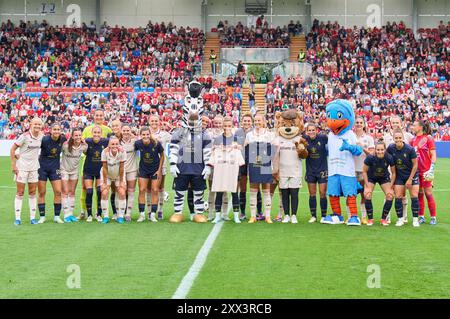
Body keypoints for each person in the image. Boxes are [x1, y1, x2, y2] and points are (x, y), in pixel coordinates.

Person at [208, 117, 245, 224]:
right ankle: (218, 215)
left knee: (234, 192)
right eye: (225, 126)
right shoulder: (218, 139)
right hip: (220, 169)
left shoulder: (236, 139)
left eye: (229, 126)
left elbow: (240, 154)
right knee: (219, 192)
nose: (226, 128)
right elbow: (213, 152)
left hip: (233, 169)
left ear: (232, 126)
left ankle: (236, 216)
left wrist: (237, 148)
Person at [78, 109, 113, 220]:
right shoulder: (87, 129)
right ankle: (84, 211)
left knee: (99, 190)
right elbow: (81, 142)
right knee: (85, 189)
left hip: (101, 165)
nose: (98, 117)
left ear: (103, 116)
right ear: (94, 116)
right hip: (87, 163)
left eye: (100, 115)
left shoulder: (108, 129)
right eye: (96, 115)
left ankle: (99, 213)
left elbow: (113, 142)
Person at [10, 117, 43, 225]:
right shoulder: (24, 136)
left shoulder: (42, 136)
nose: (37, 126)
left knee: (33, 192)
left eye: (39, 124)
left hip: (34, 168)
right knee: (20, 192)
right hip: (22, 167)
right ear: (31, 125)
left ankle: (32, 218)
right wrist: (13, 165)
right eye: (35, 124)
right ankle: (17, 218)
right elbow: (13, 149)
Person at [245, 113, 276, 223]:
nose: (257, 123)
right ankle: (253, 216)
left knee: (266, 189)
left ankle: (267, 216)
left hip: (266, 164)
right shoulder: (249, 134)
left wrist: (268, 158)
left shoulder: (269, 134)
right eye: (255, 121)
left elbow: (274, 148)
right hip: (254, 164)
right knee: (253, 190)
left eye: (259, 121)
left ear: (263, 122)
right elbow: (246, 148)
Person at [386, 129, 420, 227]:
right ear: (393, 139)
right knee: (398, 197)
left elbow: (415, 165)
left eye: (400, 138)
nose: (398, 140)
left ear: (403, 138)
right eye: (396, 138)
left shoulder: (410, 149)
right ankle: (400, 219)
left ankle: (415, 220)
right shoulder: (391, 148)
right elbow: (386, 158)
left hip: (412, 175)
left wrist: (410, 179)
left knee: (414, 196)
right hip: (399, 176)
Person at [383, 116, 413, 223]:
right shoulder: (386, 137)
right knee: (389, 192)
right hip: (390, 170)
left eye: (397, 122)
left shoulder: (408, 136)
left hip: (403, 171)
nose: (395, 124)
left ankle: (404, 216)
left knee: (403, 194)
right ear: (390, 124)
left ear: (401, 123)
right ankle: (386, 216)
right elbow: (384, 153)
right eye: (393, 122)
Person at [37, 123, 67, 224]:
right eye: (54, 129)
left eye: (58, 129)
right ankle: (42, 216)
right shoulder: (44, 139)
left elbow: (71, 144)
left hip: (55, 168)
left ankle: (57, 216)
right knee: (42, 192)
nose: (56, 131)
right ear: (50, 130)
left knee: (58, 191)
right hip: (42, 168)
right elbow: (34, 148)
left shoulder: (62, 139)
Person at [134, 126, 165, 223]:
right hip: (143, 170)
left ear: (150, 134)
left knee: (155, 190)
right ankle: (142, 214)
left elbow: (162, 156)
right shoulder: (137, 143)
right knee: (142, 190)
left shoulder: (156, 143)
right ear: (140, 135)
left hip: (155, 170)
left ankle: (152, 215)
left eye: (147, 134)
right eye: (143, 134)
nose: (145, 136)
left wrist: (159, 170)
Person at [362, 142, 395, 226]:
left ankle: (383, 219)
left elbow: (394, 173)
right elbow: (364, 171)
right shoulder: (370, 157)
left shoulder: (389, 157)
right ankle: (370, 219)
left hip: (383, 177)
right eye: (378, 150)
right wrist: (367, 184)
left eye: (382, 150)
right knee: (367, 194)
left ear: (385, 150)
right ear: (375, 150)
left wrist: (391, 185)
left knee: (390, 195)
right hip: (371, 177)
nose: (380, 151)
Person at [411, 120, 437, 225]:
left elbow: (433, 154)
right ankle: (421, 216)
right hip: (416, 171)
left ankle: (433, 217)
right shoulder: (412, 140)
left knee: (428, 193)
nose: (412, 127)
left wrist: (432, 168)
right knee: (419, 194)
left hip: (426, 171)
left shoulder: (428, 138)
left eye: (414, 125)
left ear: (420, 127)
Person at [61, 128, 87, 223]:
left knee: (72, 192)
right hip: (64, 170)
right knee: (65, 191)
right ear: (72, 136)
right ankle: (66, 214)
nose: (78, 137)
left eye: (79, 135)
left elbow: (88, 153)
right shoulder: (65, 145)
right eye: (76, 135)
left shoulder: (84, 146)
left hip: (74, 171)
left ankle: (71, 214)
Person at [83, 125, 109, 222]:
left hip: (100, 171)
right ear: (92, 133)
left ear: (101, 134)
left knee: (99, 191)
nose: (96, 134)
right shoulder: (87, 141)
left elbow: (115, 142)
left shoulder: (105, 142)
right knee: (89, 192)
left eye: (98, 132)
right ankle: (89, 215)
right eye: (95, 132)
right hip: (88, 170)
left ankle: (98, 214)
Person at [303, 122, 328, 223]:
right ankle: (313, 216)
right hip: (310, 171)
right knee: (312, 194)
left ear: (316, 130)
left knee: (322, 193)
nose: (311, 132)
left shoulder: (323, 138)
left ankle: (323, 215)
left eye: (313, 130)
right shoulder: (304, 139)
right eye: (309, 130)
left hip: (322, 169)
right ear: (307, 131)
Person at [149, 115, 172, 220]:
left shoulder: (164, 134)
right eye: (152, 121)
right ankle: (150, 211)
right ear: (149, 122)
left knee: (160, 188)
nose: (154, 122)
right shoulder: (145, 133)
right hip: (147, 165)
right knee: (149, 189)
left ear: (159, 122)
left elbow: (175, 140)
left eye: (156, 121)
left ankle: (160, 210)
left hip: (160, 165)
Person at [100, 136, 127, 224]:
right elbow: (104, 168)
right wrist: (104, 183)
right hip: (106, 175)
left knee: (122, 192)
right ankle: (106, 217)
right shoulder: (104, 152)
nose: (114, 146)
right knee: (104, 192)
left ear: (119, 144)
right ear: (109, 145)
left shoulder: (122, 152)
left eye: (116, 144)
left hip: (119, 174)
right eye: (112, 144)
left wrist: (122, 181)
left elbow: (122, 168)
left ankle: (120, 216)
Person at [354, 117, 375, 224]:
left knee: (364, 194)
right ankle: (351, 216)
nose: (358, 124)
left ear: (364, 124)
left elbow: (371, 155)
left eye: (360, 122)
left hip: (364, 170)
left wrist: (362, 147)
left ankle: (363, 217)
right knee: (351, 194)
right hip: (351, 170)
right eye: (357, 122)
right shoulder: (350, 137)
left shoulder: (369, 138)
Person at [120, 125, 138, 222]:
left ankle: (128, 214)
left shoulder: (135, 142)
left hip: (132, 169)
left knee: (131, 191)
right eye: (124, 130)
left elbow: (143, 140)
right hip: (121, 171)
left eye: (128, 130)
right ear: (121, 131)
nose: (126, 132)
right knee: (122, 192)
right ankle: (120, 213)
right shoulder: (117, 142)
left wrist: (133, 136)